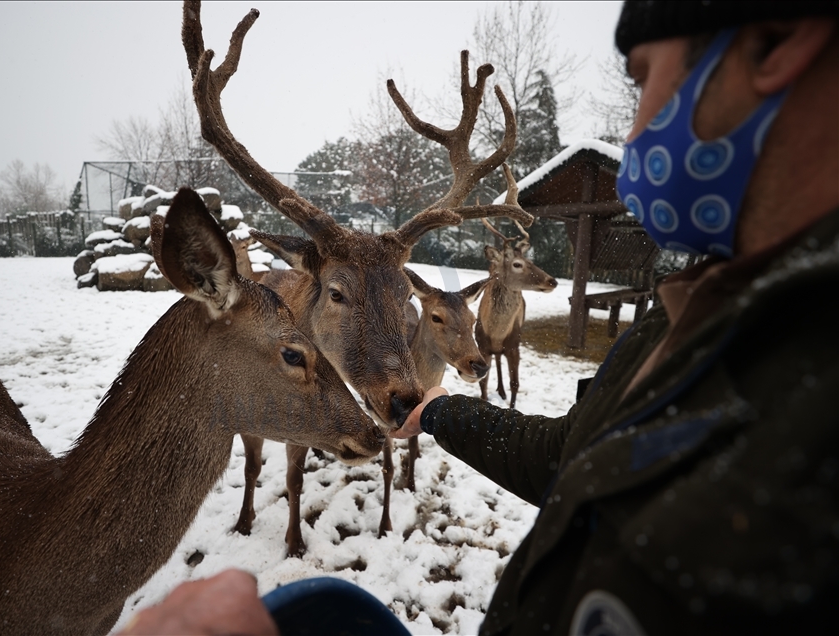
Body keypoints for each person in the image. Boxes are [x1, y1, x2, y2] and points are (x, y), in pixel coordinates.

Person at [117, 2, 839, 634]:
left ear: (775, 42)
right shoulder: (688, 313)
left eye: (642, 76)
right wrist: (437, 412)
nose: (637, 131)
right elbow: (572, 460)